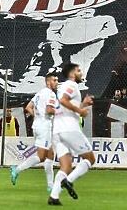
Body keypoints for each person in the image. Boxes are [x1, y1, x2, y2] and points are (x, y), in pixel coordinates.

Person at [48, 63, 95, 206]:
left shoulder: (62, 87)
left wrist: (82, 105)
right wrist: (81, 111)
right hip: (69, 128)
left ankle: (54, 197)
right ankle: (68, 181)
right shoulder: (72, 85)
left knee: (66, 166)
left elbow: (64, 106)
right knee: (90, 158)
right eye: (79, 70)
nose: (81, 73)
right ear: (72, 73)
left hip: (57, 130)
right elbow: (63, 101)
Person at [10, 71, 59, 192]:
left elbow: (28, 107)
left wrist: (37, 116)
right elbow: (49, 110)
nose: (57, 83)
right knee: (42, 157)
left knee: (50, 155)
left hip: (37, 126)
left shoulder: (40, 93)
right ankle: (17, 169)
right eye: (54, 80)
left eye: (57, 80)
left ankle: (50, 186)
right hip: (44, 127)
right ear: (48, 82)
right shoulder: (51, 95)